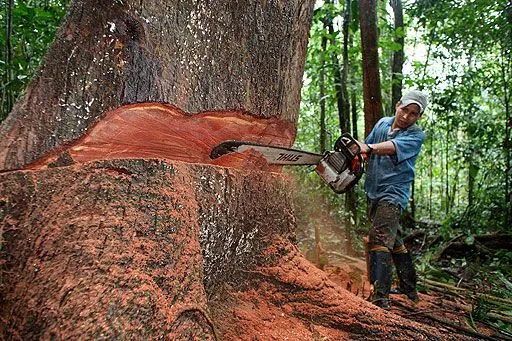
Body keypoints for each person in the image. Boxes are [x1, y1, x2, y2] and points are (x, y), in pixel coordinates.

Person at [357, 90, 428, 309]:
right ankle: (409, 289)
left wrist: (368, 148)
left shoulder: (416, 135)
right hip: (374, 191)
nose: (407, 116)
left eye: (413, 114)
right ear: (398, 105)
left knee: (379, 239)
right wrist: (356, 152)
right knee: (393, 239)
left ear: (419, 116)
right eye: (405, 110)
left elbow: (390, 148)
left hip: (393, 193)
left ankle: (380, 299)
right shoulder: (382, 124)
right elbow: (366, 148)